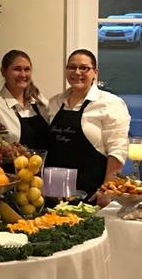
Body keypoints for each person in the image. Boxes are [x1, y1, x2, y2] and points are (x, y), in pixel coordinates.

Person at [47, 49, 131, 202]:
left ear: (95, 72)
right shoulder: (54, 103)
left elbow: (117, 150)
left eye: (84, 68)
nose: (77, 72)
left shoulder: (110, 103)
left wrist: (107, 189)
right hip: (55, 191)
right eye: (72, 67)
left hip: (92, 192)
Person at [0, 50, 49, 150]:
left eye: (27, 69)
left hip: (46, 165)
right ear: (3, 72)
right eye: (17, 69)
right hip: (13, 165)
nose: (23, 74)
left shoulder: (39, 101)